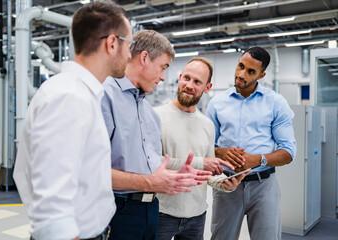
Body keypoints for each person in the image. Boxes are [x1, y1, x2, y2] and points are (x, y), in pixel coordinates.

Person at [13, 2, 133, 240]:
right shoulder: (69, 98)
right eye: (129, 44)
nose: (130, 54)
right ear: (111, 43)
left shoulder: (79, 94)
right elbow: (51, 209)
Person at [101, 30, 212, 240]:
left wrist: (175, 175)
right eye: (163, 67)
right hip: (117, 209)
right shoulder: (104, 96)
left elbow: (149, 166)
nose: (163, 77)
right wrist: (151, 182)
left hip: (151, 209)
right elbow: (90, 172)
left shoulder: (148, 112)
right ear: (144, 58)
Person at [206, 47, 297, 240]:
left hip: (263, 186)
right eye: (240, 66)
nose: (241, 74)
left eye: (250, 71)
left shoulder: (276, 103)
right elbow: (204, 146)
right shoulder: (217, 103)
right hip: (226, 185)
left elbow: (288, 152)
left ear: (261, 74)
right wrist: (221, 153)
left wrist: (257, 160)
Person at [155, 57, 250, 240]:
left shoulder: (207, 125)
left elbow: (208, 173)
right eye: (187, 78)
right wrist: (201, 163)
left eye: (197, 82)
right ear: (180, 78)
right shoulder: (156, 116)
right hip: (162, 213)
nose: (189, 85)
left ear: (207, 88)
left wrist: (224, 183)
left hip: (196, 216)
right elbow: (153, 162)